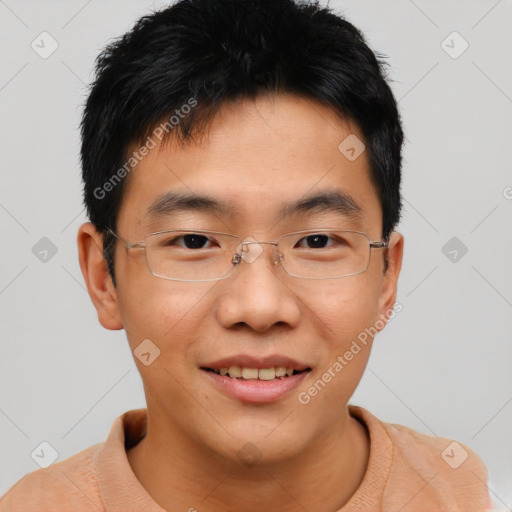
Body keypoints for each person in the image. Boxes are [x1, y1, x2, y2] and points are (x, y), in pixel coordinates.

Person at [0, 0, 492, 510]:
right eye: (194, 241)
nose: (259, 308)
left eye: (317, 241)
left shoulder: (469, 494)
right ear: (104, 277)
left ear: (387, 278)